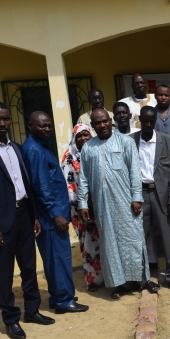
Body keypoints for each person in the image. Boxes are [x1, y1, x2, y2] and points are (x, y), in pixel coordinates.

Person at [0, 101, 53, 339]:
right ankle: (10, 318)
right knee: (4, 271)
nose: (2, 123)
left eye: (5, 118)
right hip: (0, 222)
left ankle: (32, 310)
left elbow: (26, 185)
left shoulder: (16, 147)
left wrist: (34, 215)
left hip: (25, 215)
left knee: (29, 267)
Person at [78, 108, 153, 298]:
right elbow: (84, 178)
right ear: (93, 126)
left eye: (104, 121)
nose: (102, 125)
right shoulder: (88, 148)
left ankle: (141, 280)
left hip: (126, 202)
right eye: (97, 123)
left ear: (110, 121)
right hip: (103, 206)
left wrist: (136, 198)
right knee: (110, 244)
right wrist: (83, 203)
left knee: (134, 240)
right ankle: (119, 284)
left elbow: (135, 171)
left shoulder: (126, 142)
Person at [22, 111, 88, 314]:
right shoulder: (34, 150)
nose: (47, 129)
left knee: (55, 258)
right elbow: (40, 186)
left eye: (49, 125)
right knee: (58, 258)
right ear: (30, 125)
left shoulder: (40, 146)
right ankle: (63, 301)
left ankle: (59, 295)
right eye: (42, 125)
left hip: (52, 214)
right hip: (50, 217)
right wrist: (55, 213)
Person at [130, 106, 170, 292]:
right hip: (139, 195)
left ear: (156, 121)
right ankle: (144, 277)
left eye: (152, 121)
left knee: (167, 236)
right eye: (145, 120)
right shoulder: (130, 141)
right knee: (141, 237)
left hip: (162, 194)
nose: (149, 124)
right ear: (140, 120)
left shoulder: (167, 141)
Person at [60, 124, 103, 292]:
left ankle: (107, 276)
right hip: (81, 208)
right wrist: (79, 206)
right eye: (80, 136)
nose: (84, 138)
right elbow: (69, 185)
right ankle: (92, 280)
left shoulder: (95, 152)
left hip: (99, 204)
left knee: (102, 241)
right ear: (74, 138)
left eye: (87, 134)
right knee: (88, 242)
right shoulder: (69, 157)